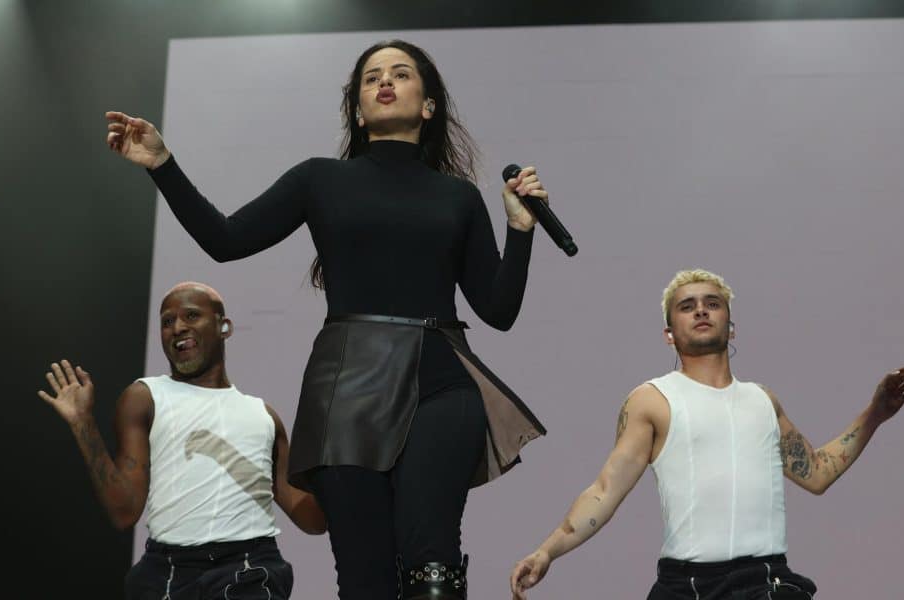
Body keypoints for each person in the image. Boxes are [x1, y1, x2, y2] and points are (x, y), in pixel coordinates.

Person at [105, 39, 548, 599]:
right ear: (359, 110)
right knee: (365, 576)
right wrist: (162, 165)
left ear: (428, 104)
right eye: (371, 78)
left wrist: (520, 232)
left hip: (441, 380)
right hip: (347, 385)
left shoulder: (458, 197)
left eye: (401, 73)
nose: (385, 81)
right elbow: (225, 240)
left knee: (431, 561)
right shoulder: (320, 179)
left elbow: (499, 311)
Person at [509, 268, 904, 600]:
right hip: (686, 587)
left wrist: (874, 414)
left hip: (766, 581)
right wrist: (547, 551)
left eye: (712, 304)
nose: (701, 310)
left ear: (731, 326)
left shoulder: (762, 401)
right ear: (669, 332)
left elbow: (818, 472)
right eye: (687, 307)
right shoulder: (652, 400)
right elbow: (603, 490)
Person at [37, 281, 327, 600]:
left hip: (248, 567)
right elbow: (124, 511)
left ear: (223, 326)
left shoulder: (263, 416)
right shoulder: (144, 397)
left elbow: (313, 519)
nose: (177, 327)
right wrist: (83, 425)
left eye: (191, 315)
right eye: (167, 321)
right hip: (166, 571)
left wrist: (334, 457)